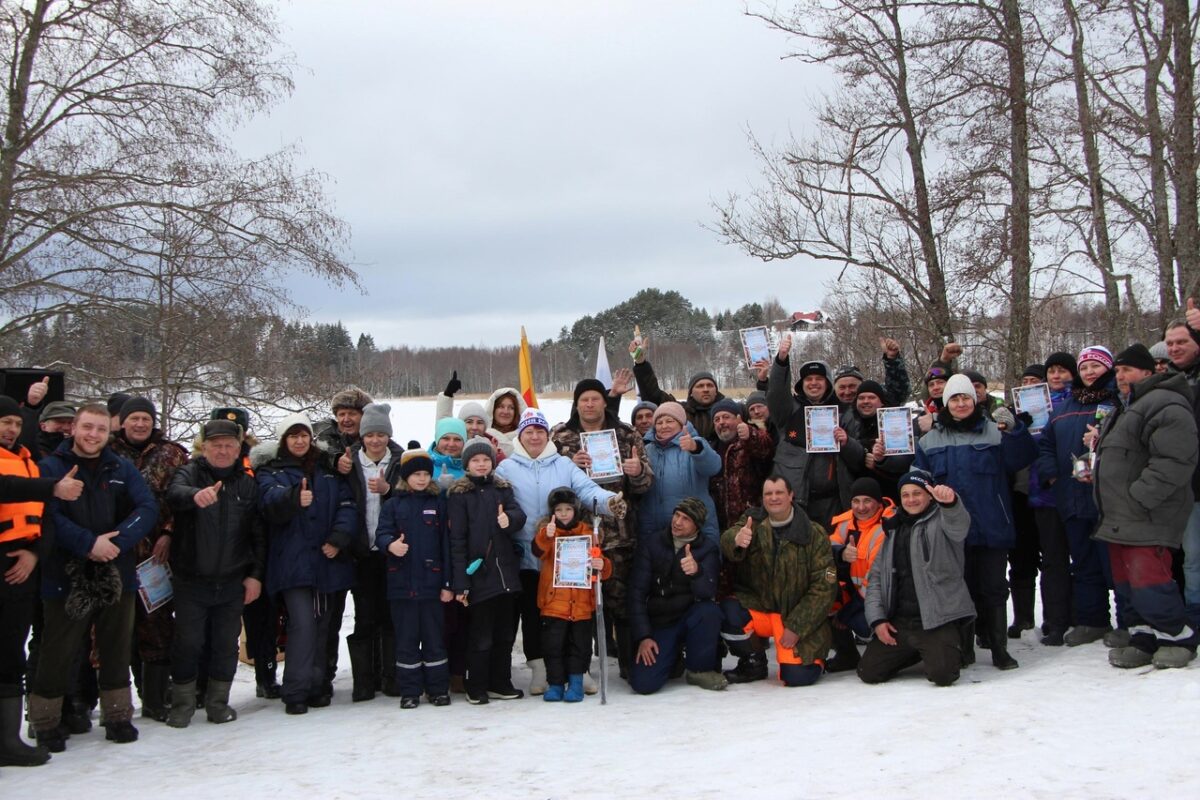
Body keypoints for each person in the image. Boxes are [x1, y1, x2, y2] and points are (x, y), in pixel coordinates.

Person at [30, 404, 157, 748]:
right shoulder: (50, 467)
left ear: (108, 433)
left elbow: (146, 508)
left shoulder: (121, 467)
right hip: (65, 571)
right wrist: (88, 544)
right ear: (73, 428)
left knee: (116, 645)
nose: (93, 435)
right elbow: (48, 515)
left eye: (101, 429)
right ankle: (45, 721)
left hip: (117, 568)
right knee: (59, 647)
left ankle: (117, 717)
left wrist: (118, 541)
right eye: (88, 427)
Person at [496, 408, 624, 696]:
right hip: (526, 554)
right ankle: (540, 670)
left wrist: (609, 502)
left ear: (547, 435)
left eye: (540, 431)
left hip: (565, 557)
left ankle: (580, 670)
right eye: (529, 431)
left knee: (572, 614)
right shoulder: (506, 468)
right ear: (521, 435)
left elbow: (587, 488)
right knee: (533, 613)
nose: (535, 436)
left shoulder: (563, 464)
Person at [914, 373, 1036, 670]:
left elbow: (1022, 457)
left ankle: (999, 649)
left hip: (992, 523)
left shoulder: (995, 432)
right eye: (954, 398)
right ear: (945, 402)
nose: (960, 403)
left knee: (993, 587)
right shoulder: (930, 440)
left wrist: (1017, 429)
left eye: (965, 397)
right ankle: (964, 648)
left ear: (975, 399)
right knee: (960, 589)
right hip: (950, 530)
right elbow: (919, 481)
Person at [1093, 344, 1199, 669]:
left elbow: (1175, 459)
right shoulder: (1127, 407)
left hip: (1146, 514)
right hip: (1118, 516)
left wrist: (1140, 496)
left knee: (1149, 580)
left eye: (1128, 370)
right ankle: (1143, 638)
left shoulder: (1165, 402)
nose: (1121, 376)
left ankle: (1177, 637)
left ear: (1149, 372)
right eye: (1119, 371)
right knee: (1126, 584)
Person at [163, 419, 265, 727]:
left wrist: (255, 575)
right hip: (192, 579)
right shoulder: (189, 473)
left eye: (229, 446)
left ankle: (218, 702)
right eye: (216, 445)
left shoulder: (247, 483)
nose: (222, 451)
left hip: (233, 580)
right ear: (204, 447)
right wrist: (195, 496)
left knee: (225, 645)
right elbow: (174, 493)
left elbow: (258, 536)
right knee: (188, 642)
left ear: (238, 450)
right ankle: (182, 702)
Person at [551, 379, 652, 682]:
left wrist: (637, 473)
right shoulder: (560, 436)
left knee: (621, 601)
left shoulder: (626, 434)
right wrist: (569, 464)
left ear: (603, 402)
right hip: (576, 534)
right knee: (579, 604)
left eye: (595, 399)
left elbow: (646, 484)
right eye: (585, 400)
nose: (590, 405)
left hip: (620, 534)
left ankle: (627, 662)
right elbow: (549, 481)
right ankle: (579, 668)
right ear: (577, 404)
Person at [0, 395, 83, 767]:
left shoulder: (29, 462)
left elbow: (45, 518)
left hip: (21, 566)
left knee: (10, 655)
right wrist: (51, 487)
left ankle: (7, 741)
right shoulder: (37, 474)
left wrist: (35, 554)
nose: (11, 429)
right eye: (4, 422)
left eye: (16, 423)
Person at [256, 413, 358, 715]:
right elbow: (267, 503)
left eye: (304, 435)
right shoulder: (271, 471)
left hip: (328, 559)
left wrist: (338, 537)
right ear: (283, 440)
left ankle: (318, 684)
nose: (300, 441)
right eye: (293, 436)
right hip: (294, 563)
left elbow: (347, 505)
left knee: (325, 623)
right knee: (302, 624)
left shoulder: (327, 469)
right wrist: (291, 499)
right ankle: (296, 689)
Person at [108, 396, 189, 723]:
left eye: (146, 418)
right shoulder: (107, 452)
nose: (140, 424)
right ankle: (116, 702)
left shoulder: (172, 453)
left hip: (157, 553)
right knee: (115, 629)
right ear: (123, 422)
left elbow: (182, 498)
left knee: (157, 627)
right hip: (114, 552)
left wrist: (169, 532)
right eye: (134, 418)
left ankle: (155, 698)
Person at [857, 469, 974, 687]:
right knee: (868, 672)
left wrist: (951, 503)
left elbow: (959, 526)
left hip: (936, 620)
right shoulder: (892, 529)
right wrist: (878, 620)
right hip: (901, 621)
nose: (911, 499)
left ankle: (946, 645)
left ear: (929, 495)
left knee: (943, 675)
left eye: (917, 493)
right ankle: (917, 651)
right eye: (906, 495)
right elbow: (875, 579)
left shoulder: (942, 520)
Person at [1036, 347, 1120, 646]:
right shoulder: (1063, 407)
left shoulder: (1118, 401)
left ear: (1108, 369)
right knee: (1083, 563)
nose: (1089, 373)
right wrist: (1054, 476)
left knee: (1116, 564)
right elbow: (1046, 444)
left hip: (1109, 499)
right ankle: (1092, 620)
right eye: (1085, 368)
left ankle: (1129, 622)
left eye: (1095, 366)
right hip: (1071, 496)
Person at [720, 476, 836, 687]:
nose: (773, 498)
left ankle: (817, 660)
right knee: (729, 610)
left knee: (797, 677)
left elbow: (824, 588)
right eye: (768, 494)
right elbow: (728, 539)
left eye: (779, 492)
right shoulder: (752, 522)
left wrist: (796, 627)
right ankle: (753, 661)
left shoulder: (814, 533)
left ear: (791, 495)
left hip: (794, 616)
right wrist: (736, 540)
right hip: (761, 609)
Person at [448, 437, 528, 704]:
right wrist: (461, 583)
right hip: (479, 576)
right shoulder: (460, 495)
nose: (481, 465)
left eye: (485, 460)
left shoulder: (503, 489)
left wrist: (510, 519)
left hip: (506, 574)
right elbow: (457, 541)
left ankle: (500, 682)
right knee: (481, 635)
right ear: (467, 464)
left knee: (505, 634)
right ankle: (476, 685)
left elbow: (519, 516)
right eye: (476, 460)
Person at [375, 450, 453, 708]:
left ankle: (438, 689)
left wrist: (447, 584)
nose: (421, 479)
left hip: (432, 586)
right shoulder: (392, 505)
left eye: (425, 474)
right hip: (402, 586)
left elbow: (446, 546)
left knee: (434, 640)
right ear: (406, 477)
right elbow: (382, 533)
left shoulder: (437, 504)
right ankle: (410, 690)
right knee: (406, 641)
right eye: (416, 474)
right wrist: (390, 545)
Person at [627, 498, 726, 694]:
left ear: (696, 526)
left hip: (689, 618)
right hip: (660, 623)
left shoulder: (707, 549)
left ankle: (699, 669)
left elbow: (709, 591)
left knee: (709, 611)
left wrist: (697, 572)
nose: (677, 522)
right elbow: (636, 593)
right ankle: (673, 659)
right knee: (643, 684)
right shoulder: (652, 543)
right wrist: (644, 636)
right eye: (677, 515)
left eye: (686, 519)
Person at [343, 403, 405, 701]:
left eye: (381, 434)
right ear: (363, 437)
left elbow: (409, 498)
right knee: (364, 617)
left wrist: (388, 489)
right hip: (361, 552)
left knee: (391, 616)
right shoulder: (349, 462)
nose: (376, 440)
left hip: (391, 552)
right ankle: (364, 681)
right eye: (370, 435)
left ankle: (391, 677)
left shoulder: (400, 461)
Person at [532, 487, 611, 702]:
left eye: (568, 509)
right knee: (553, 647)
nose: (564, 514)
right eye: (559, 510)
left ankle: (576, 683)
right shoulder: (548, 533)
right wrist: (545, 536)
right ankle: (555, 683)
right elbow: (538, 552)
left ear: (575, 511)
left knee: (580, 647)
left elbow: (601, 564)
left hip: (582, 604)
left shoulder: (588, 533)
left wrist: (601, 565)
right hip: (554, 604)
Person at [766, 335, 853, 528]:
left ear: (828, 382)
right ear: (801, 384)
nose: (813, 383)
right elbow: (776, 393)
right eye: (809, 379)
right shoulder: (788, 410)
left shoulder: (842, 412)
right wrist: (781, 361)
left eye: (819, 379)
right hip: (795, 502)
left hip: (831, 503)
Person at [825, 477, 895, 672]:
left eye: (867, 501)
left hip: (879, 597)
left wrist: (847, 613)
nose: (861, 507)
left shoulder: (886, 528)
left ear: (879, 503)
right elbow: (827, 548)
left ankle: (884, 652)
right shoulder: (845, 522)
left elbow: (874, 580)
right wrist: (841, 553)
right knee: (825, 597)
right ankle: (847, 654)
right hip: (855, 592)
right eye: (856, 501)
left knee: (860, 622)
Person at [639, 402, 721, 543]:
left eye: (670, 421)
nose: (664, 426)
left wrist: (695, 448)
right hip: (655, 529)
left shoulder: (695, 443)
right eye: (659, 423)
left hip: (693, 527)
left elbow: (713, 467)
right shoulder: (647, 450)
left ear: (681, 423)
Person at [629, 337, 726, 442]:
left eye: (710, 385)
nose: (706, 389)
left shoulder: (729, 410)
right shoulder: (681, 411)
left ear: (716, 391)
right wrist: (641, 364)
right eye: (700, 386)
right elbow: (653, 394)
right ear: (691, 393)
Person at [483, 388, 527, 457]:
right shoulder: (483, 437)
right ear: (493, 410)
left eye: (511, 407)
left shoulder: (527, 437)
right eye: (501, 407)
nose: (506, 411)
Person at [430, 416, 468, 490]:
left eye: (457, 439)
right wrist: (439, 487)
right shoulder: (423, 465)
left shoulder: (471, 467)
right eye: (446, 438)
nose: (451, 444)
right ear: (437, 440)